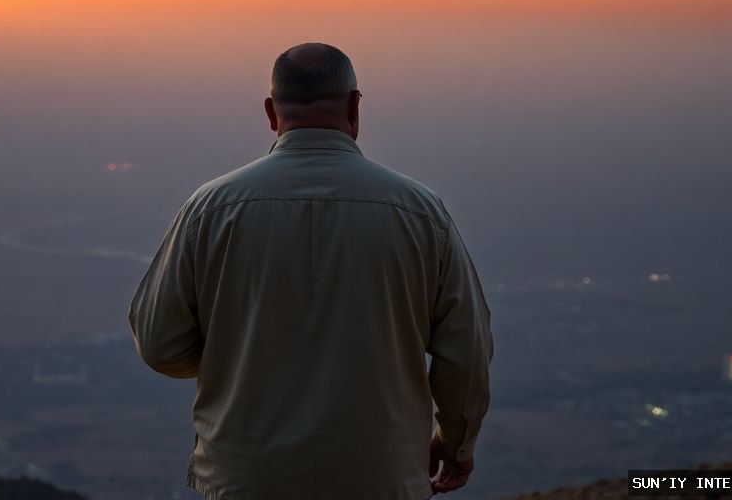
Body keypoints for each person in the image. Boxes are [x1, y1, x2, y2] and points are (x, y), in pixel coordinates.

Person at [129, 42, 494, 500]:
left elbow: (160, 343)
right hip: (381, 476)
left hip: (247, 477)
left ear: (270, 112)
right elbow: (466, 351)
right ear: (354, 107)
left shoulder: (211, 208)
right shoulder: (420, 212)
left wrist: (237, 356)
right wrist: (457, 444)